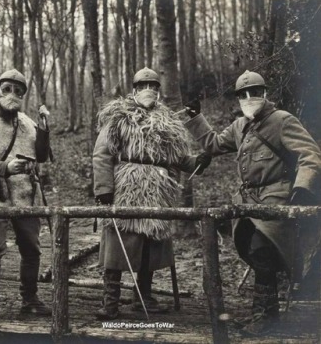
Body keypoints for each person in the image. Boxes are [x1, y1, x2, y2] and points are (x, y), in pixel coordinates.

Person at [184, 70, 321, 335]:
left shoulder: (282, 121)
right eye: (243, 94)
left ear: (265, 94)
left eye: (255, 92)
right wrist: (195, 118)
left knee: (262, 251)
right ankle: (268, 315)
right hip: (247, 201)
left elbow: (310, 154)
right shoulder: (239, 126)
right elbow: (213, 144)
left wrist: (303, 187)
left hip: (276, 197)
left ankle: (265, 318)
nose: (249, 97)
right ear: (237, 98)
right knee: (255, 250)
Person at [93, 67, 212, 320]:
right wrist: (104, 189)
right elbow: (102, 154)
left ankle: (142, 296)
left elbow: (179, 158)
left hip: (158, 189)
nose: (149, 90)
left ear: (158, 91)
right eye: (144, 86)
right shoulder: (118, 117)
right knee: (118, 243)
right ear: (134, 90)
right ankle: (110, 301)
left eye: (154, 86)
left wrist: (197, 162)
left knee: (150, 246)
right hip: (126, 187)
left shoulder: (167, 120)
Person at [0, 68, 52, 324]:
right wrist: (5, 168)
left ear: (23, 95)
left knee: (32, 250)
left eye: (17, 90)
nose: (11, 94)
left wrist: (45, 128)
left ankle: (30, 300)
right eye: (7, 89)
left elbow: (42, 156)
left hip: (26, 195)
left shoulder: (28, 123)